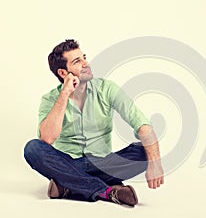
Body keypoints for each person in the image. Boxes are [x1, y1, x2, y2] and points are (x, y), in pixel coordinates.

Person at [24, 39, 164, 206]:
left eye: (84, 57)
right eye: (77, 61)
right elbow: (47, 139)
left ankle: (67, 185)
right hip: (68, 161)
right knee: (33, 148)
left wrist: (155, 162)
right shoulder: (50, 100)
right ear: (63, 73)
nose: (86, 63)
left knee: (143, 151)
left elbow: (142, 124)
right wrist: (65, 94)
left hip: (104, 164)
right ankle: (108, 191)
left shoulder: (107, 89)